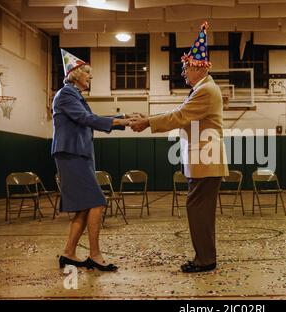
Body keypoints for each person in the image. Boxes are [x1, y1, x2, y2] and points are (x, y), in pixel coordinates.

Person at [130, 22, 228, 273]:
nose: (183, 72)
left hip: (205, 161)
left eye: (185, 67)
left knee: (199, 212)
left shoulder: (205, 90)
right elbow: (180, 114)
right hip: (203, 161)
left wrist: (147, 122)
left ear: (197, 66)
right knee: (201, 212)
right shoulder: (202, 90)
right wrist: (150, 119)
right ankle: (205, 257)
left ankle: (205, 260)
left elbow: (179, 116)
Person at [52, 49, 130, 272]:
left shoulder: (74, 95)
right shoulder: (66, 94)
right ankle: (95, 255)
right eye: (88, 74)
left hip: (78, 155)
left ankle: (69, 253)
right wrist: (120, 122)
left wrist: (123, 118)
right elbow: (86, 119)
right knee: (96, 202)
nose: (90, 78)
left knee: (84, 208)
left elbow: (90, 118)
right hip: (72, 154)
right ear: (76, 75)